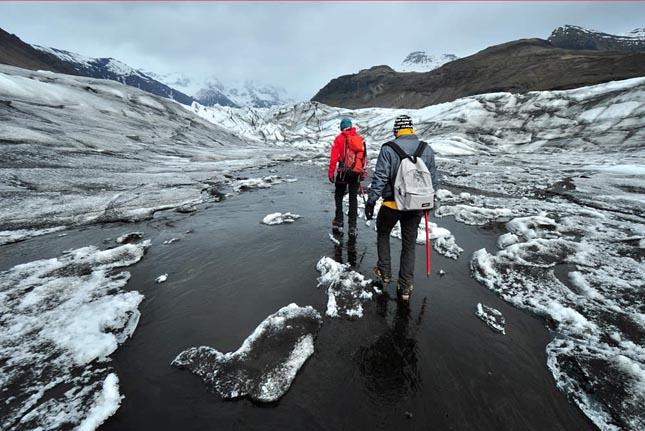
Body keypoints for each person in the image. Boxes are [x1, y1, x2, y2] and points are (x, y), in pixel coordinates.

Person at [364, 115, 439, 301]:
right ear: (411, 129)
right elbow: (433, 181)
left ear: (397, 130)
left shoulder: (389, 148)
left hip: (392, 203)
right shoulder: (426, 149)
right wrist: (430, 203)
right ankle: (405, 288)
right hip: (416, 205)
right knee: (409, 244)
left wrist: (371, 201)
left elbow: (380, 178)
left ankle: (385, 273)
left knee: (383, 233)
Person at [328, 117, 367, 237]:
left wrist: (331, 173)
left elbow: (334, 158)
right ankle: (352, 226)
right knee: (353, 199)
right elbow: (365, 157)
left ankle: (339, 221)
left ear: (342, 127)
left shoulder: (339, 139)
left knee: (339, 196)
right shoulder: (360, 139)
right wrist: (363, 173)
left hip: (342, 173)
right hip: (355, 173)